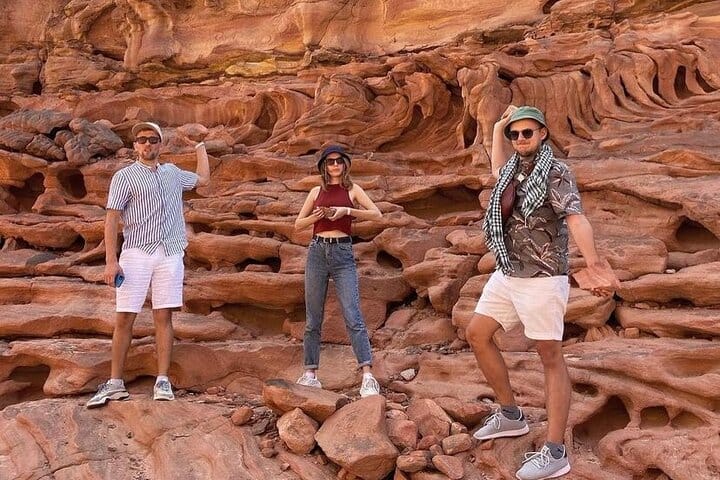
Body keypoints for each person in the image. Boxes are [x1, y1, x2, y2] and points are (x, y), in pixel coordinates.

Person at [466, 106, 620, 479]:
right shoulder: (513, 170)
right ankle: (511, 415)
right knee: (477, 334)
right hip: (508, 272)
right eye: (515, 134)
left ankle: (555, 452)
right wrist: (498, 127)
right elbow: (496, 169)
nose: (520, 139)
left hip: (542, 278)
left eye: (527, 133)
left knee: (549, 355)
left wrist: (593, 264)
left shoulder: (556, 172)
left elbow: (576, 218)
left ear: (542, 134)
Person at [86, 121, 210, 408]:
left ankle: (162, 380)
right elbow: (111, 219)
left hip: (170, 252)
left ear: (160, 144)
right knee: (124, 317)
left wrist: (200, 146)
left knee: (163, 316)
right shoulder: (124, 177)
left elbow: (203, 181)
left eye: (153, 139)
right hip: (137, 253)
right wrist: (111, 261)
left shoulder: (173, 173)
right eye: (141, 140)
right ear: (134, 145)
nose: (147, 144)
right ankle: (115, 383)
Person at [294, 145, 383, 397]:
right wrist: (317, 216)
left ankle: (367, 376)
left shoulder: (353, 190)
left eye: (339, 161)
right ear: (324, 166)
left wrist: (347, 211)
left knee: (353, 315)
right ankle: (310, 374)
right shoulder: (316, 191)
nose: (335, 165)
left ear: (345, 164)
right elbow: (298, 224)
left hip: (342, 251)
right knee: (313, 317)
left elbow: (377, 214)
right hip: (317, 251)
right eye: (330, 161)